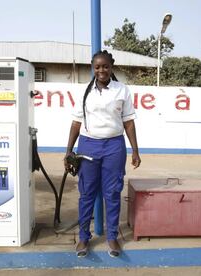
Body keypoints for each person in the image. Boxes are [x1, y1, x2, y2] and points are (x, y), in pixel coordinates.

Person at [64, 50, 141, 258]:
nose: (101, 70)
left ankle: (112, 237)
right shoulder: (84, 92)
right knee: (87, 194)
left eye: (105, 66)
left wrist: (135, 150)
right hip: (88, 145)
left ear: (111, 67)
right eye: (97, 67)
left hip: (114, 146)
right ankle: (83, 237)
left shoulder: (122, 90)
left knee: (112, 193)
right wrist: (69, 151)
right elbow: (76, 123)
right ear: (92, 67)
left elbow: (129, 123)